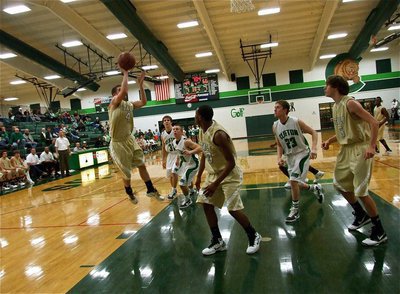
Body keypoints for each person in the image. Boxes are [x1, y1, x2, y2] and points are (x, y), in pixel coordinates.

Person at [322, 75, 387, 246]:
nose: (324, 88)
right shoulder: (336, 106)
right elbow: (345, 130)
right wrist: (330, 140)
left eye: (326, 85)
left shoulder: (350, 103)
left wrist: (372, 146)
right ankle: (360, 214)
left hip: (360, 148)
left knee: (361, 191)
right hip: (346, 149)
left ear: (335, 87)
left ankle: (379, 231)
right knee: (340, 184)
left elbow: (374, 122)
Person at [195, 105, 261, 255]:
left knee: (233, 209)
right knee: (205, 203)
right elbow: (204, 153)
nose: (195, 117)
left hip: (229, 174)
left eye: (196, 114)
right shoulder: (201, 130)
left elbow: (231, 163)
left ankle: (254, 235)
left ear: (200, 117)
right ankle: (218, 241)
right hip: (213, 175)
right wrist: (199, 176)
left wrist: (215, 184)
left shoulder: (218, 134)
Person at [108, 67, 163, 204]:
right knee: (126, 173)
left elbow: (144, 102)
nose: (123, 93)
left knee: (142, 165)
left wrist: (140, 85)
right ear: (115, 93)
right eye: (119, 90)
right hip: (118, 143)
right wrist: (125, 73)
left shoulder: (129, 105)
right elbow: (124, 90)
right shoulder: (114, 103)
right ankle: (129, 192)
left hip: (129, 139)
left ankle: (150, 189)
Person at [273, 100, 324, 223]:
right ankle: (314, 188)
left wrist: (314, 148)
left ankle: (295, 210)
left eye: (277, 107)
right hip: (290, 157)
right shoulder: (275, 125)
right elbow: (279, 144)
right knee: (295, 183)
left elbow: (313, 132)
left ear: (285, 110)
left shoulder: (296, 121)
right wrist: (279, 158)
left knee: (293, 181)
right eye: (274, 108)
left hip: (302, 153)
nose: (274, 110)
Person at [172, 124, 199, 209]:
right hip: (186, 163)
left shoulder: (186, 141)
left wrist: (190, 152)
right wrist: (177, 159)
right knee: (187, 179)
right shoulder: (174, 142)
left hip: (193, 164)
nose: (175, 130)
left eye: (177, 129)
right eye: (174, 129)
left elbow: (200, 148)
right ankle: (191, 191)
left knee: (182, 183)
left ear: (181, 132)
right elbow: (179, 152)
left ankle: (188, 200)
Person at [161, 115, 179, 200]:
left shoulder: (176, 130)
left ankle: (174, 189)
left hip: (178, 154)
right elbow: (163, 147)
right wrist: (163, 159)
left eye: (168, 120)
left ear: (171, 122)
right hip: (170, 156)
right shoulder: (163, 134)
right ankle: (173, 189)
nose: (166, 121)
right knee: (170, 175)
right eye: (165, 120)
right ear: (163, 123)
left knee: (174, 172)